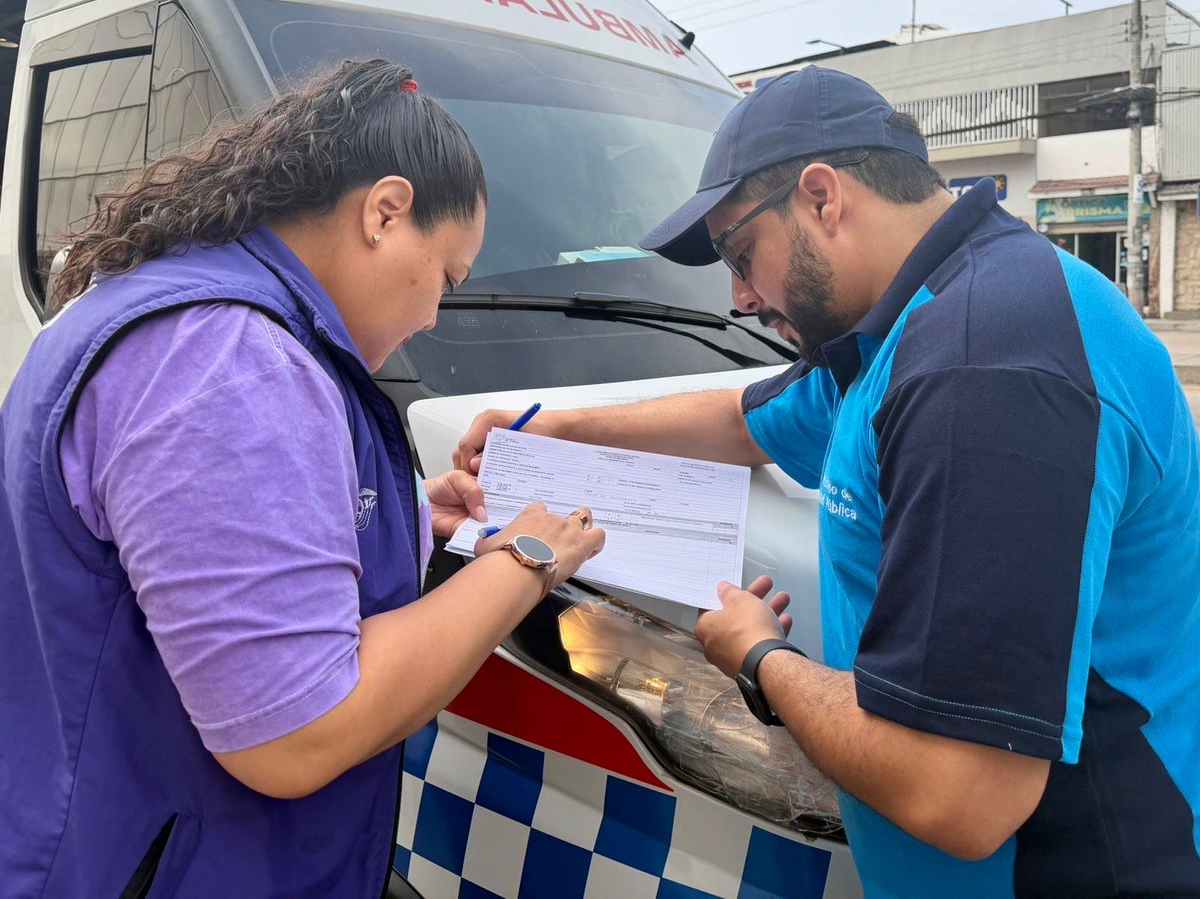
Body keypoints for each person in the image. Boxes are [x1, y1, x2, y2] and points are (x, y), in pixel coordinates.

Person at [455, 66, 1200, 897]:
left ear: (821, 197)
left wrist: (758, 657)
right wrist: (560, 426)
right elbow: (746, 420)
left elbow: (957, 793)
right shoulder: (907, 326)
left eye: (741, 254)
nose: (738, 297)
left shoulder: (982, 369)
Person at [0, 59, 604, 898]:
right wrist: (527, 556)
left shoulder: (167, 307)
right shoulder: (231, 361)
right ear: (386, 213)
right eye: (446, 277)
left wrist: (384, 513)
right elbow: (297, 732)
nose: (434, 315)